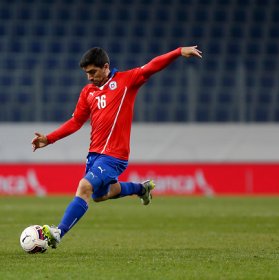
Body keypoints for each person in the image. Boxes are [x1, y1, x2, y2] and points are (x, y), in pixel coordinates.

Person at [31, 45, 202, 249]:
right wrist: (49, 139)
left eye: (93, 72)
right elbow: (76, 121)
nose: (89, 77)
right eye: (86, 73)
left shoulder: (126, 81)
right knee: (100, 195)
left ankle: (58, 232)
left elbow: (151, 67)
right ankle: (141, 188)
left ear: (105, 67)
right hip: (94, 154)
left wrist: (178, 51)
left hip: (115, 155)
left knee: (84, 187)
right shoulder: (88, 92)